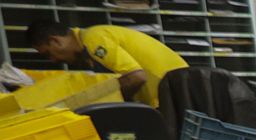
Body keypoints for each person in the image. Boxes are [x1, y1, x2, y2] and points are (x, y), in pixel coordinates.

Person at [26, 19, 187, 108]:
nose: (53, 60)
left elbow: (136, 77)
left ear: (55, 41)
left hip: (176, 96)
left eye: (48, 53)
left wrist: (104, 102)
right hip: (172, 95)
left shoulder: (93, 39)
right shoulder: (88, 49)